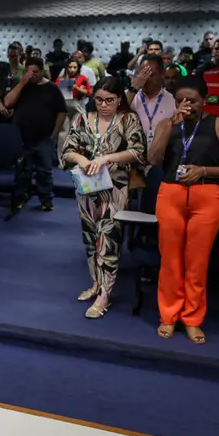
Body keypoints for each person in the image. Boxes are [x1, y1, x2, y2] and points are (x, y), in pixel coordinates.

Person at [148, 76, 219, 344]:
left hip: (206, 194)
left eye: (192, 101)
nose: (186, 105)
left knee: (197, 263)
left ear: (205, 100)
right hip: (170, 193)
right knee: (170, 261)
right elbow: (154, 159)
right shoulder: (167, 123)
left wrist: (203, 170)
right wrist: (170, 126)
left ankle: (192, 319)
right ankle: (168, 315)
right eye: (180, 101)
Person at [61, 77, 146, 317]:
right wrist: (81, 159)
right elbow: (67, 150)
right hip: (86, 185)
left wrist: (107, 158)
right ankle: (96, 283)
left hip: (115, 187)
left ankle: (105, 296)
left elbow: (138, 152)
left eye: (109, 100)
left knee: (108, 238)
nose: (104, 105)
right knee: (89, 237)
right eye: (99, 99)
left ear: (119, 100)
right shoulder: (82, 119)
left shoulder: (128, 120)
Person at [4, 57, 66, 211]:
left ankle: (46, 200)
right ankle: (19, 199)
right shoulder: (22, 86)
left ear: (42, 71)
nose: (32, 75)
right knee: (23, 171)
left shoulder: (52, 88)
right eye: (29, 72)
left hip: (45, 137)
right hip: (23, 138)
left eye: (35, 72)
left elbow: (61, 112)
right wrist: (22, 83)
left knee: (44, 171)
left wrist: (54, 135)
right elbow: (7, 102)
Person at [127, 55, 177, 148]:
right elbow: (116, 114)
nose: (146, 79)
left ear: (162, 74)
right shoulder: (130, 95)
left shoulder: (172, 100)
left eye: (151, 74)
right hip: (133, 152)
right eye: (143, 74)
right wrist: (133, 88)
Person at [0, 42, 26, 122]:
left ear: (20, 55)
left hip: (18, 108)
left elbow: (26, 93)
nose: (12, 58)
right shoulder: (3, 69)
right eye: (10, 56)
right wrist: (0, 105)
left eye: (15, 56)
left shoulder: (24, 70)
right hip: (2, 107)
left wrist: (16, 108)